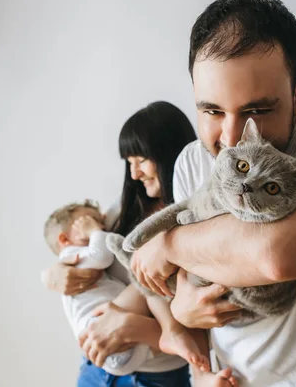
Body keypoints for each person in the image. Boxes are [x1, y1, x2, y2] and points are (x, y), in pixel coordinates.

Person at [127, 0, 296, 387]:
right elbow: (192, 305)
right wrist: (185, 326)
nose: (231, 139)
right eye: (211, 110)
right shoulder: (190, 161)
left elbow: (278, 255)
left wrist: (167, 243)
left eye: (257, 111)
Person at [43, 101, 237, 387]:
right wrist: (52, 275)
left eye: (141, 160)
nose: (134, 174)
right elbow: (78, 252)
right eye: (129, 163)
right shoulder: (120, 213)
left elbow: (207, 320)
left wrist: (139, 329)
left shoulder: (199, 221)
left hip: (158, 377)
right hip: (97, 368)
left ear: (166, 154)